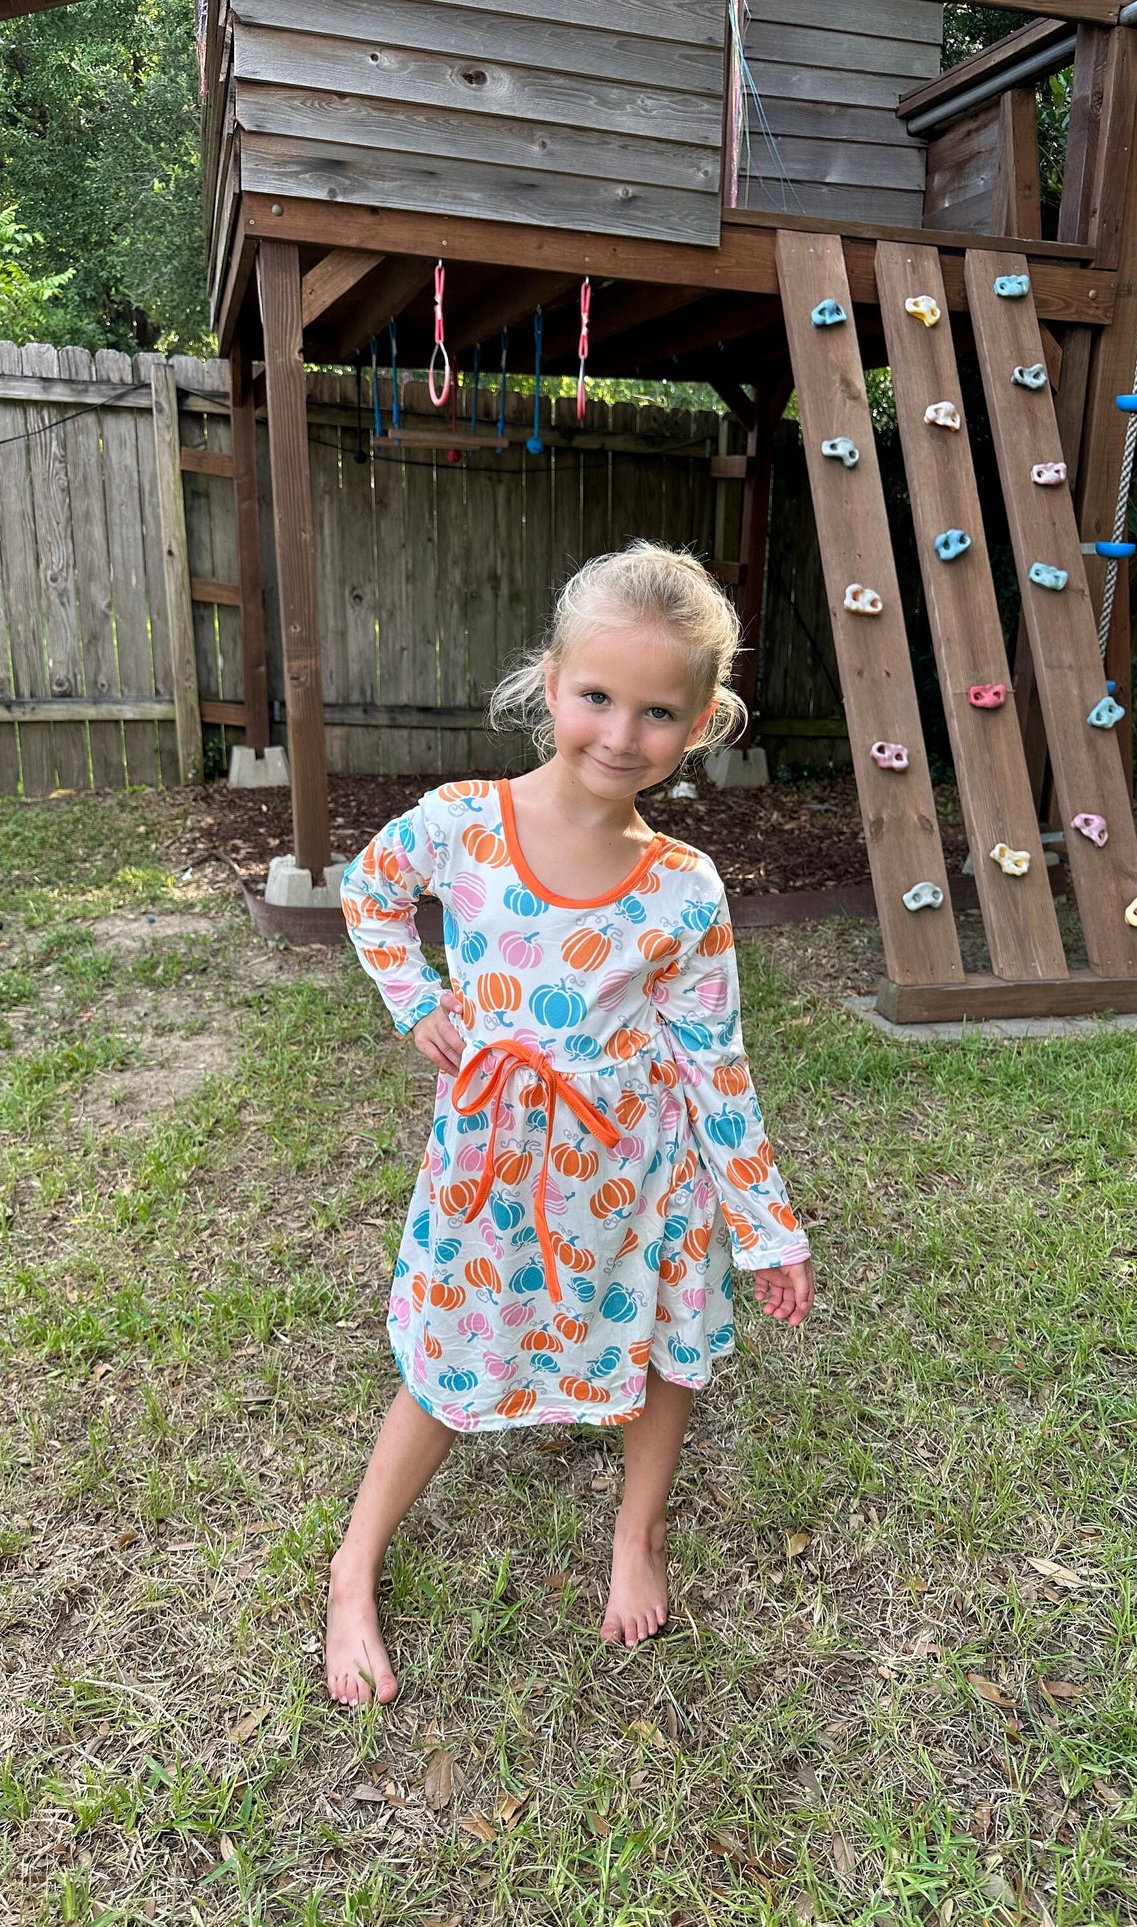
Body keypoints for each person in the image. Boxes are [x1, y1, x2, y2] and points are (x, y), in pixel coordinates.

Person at [330, 541, 815, 1706]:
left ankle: (636, 1533)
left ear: (699, 723)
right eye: (596, 695)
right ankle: (353, 1563)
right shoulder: (461, 824)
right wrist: (420, 1004)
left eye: (657, 710)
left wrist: (765, 1224)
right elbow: (369, 891)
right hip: (492, 1166)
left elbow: (714, 1062)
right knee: (449, 1357)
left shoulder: (682, 885)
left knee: (659, 1342)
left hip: (640, 1168)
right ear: (548, 683)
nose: (618, 732)